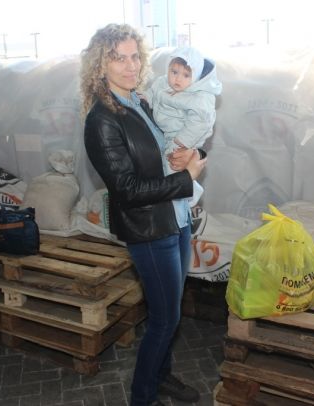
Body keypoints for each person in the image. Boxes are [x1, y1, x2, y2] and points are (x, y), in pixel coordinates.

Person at [80, 24, 206, 406]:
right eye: (119, 58)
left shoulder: (139, 101)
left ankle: (162, 378)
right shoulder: (102, 120)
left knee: (169, 313)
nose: (131, 65)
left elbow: (161, 150)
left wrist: (186, 156)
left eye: (135, 56)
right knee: (165, 319)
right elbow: (128, 190)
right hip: (150, 229)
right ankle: (142, 395)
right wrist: (186, 178)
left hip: (175, 218)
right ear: (100, 65)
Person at [147, 47, 222, 207]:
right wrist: (145, 98)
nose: (177, 79)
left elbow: (201, 122)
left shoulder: (199, 97)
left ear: (196, 76)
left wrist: (184, 140)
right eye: (174, 72)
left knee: (173, 165)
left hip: (184, 136)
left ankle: (190, 193)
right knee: (163, 167)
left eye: (186, 75)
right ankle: (181, 193)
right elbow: (153, 93)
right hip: (167, 132)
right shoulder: (162, 83)